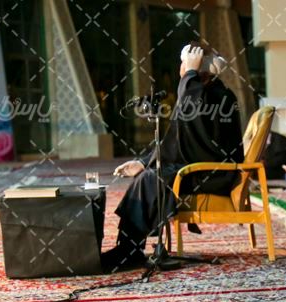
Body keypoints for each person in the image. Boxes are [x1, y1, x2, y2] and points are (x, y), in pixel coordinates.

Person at [101, 43, 243, 269]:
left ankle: (129, 251)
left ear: (199, 67)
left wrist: (190, 74)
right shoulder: (203, 93)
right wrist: (143, 162)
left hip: (214, 173)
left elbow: (194, 140)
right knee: (149, 175)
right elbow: (177, 140)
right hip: (201, 167)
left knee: (151, 178)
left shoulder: (217, 96)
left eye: (185, 63)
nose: (181, 68)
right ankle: (129, 248)